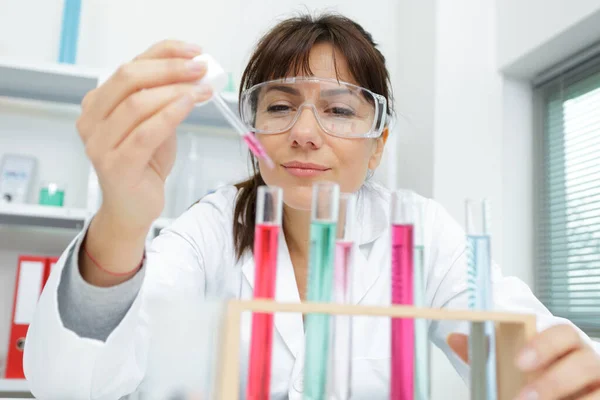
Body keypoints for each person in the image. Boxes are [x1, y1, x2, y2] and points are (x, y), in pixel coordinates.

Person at [24, 12, 600, 400]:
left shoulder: (419, 232)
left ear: (378, 144)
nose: (303, 133)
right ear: (251, 129)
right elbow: (71, 383)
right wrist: (123, 220)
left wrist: (559, 377)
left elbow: (520, 342)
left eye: (340, 110)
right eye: (278, 106)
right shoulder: (211, 229)